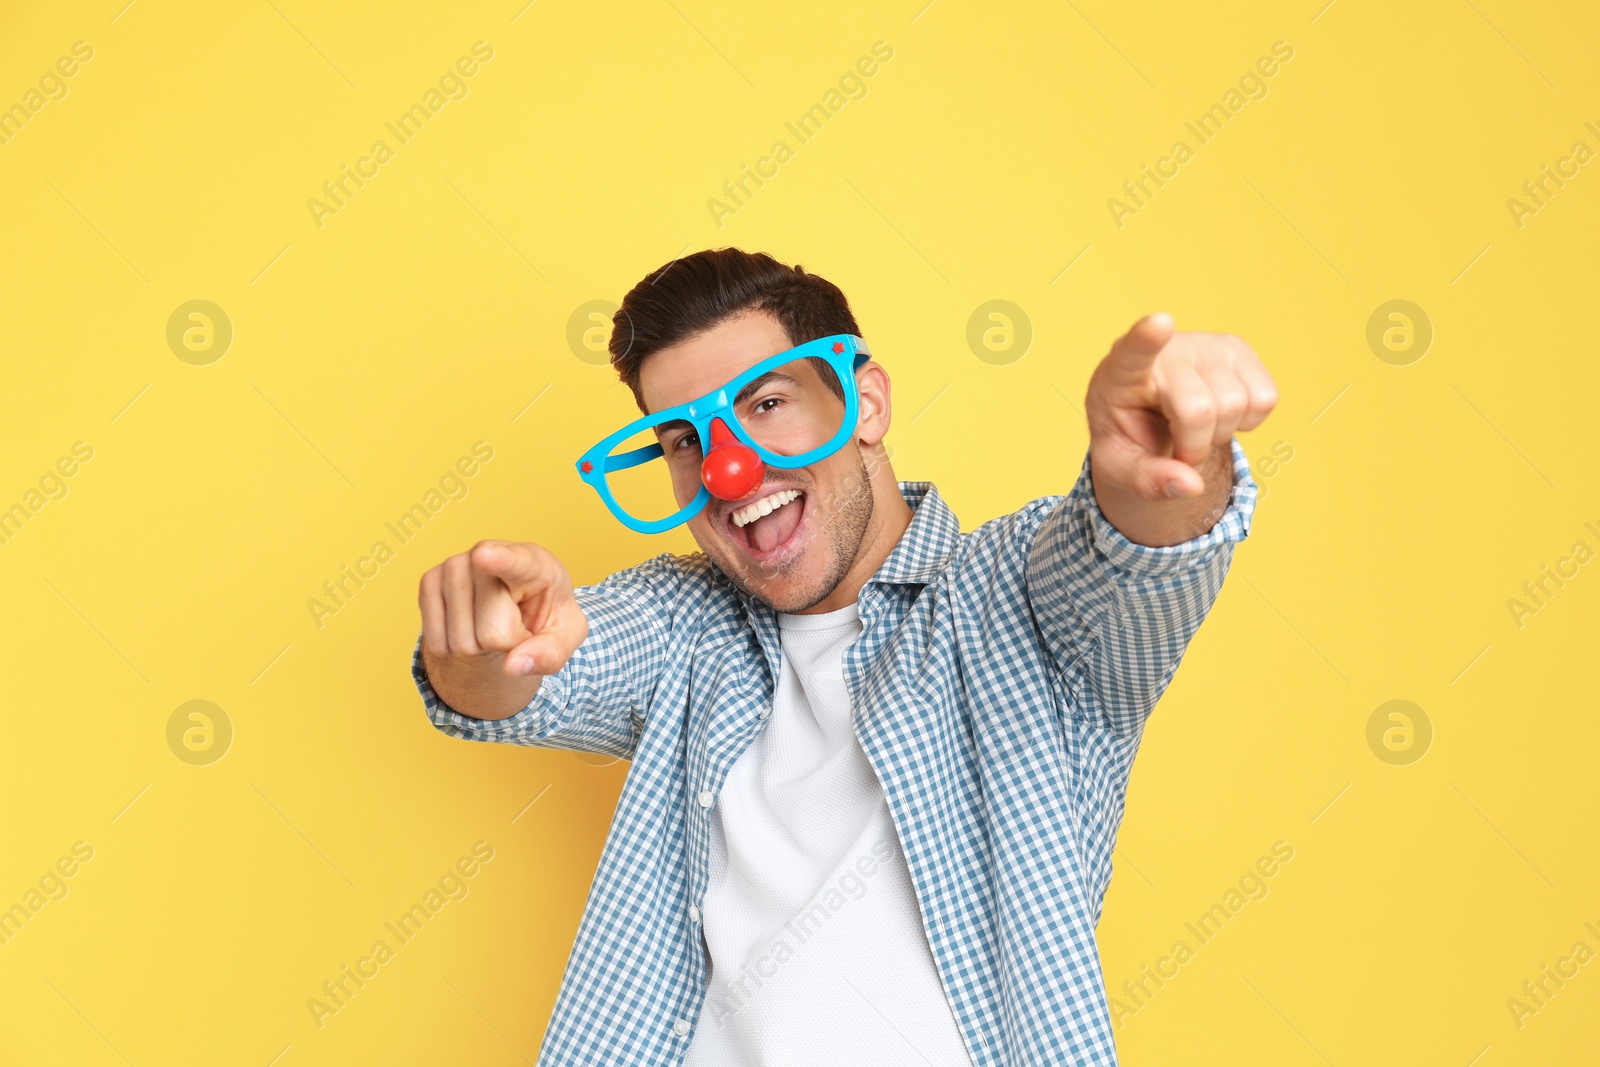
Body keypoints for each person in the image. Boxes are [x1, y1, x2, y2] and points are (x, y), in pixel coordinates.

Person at [411, 247, 1277, 1066]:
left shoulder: (1017, 600)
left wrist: (1156, 469)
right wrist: (484, 646)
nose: (729, 471)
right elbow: (534, 673)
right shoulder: (681, 624)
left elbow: (1127, 559)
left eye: (765, 403)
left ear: (867, 404)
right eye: (683, 440)